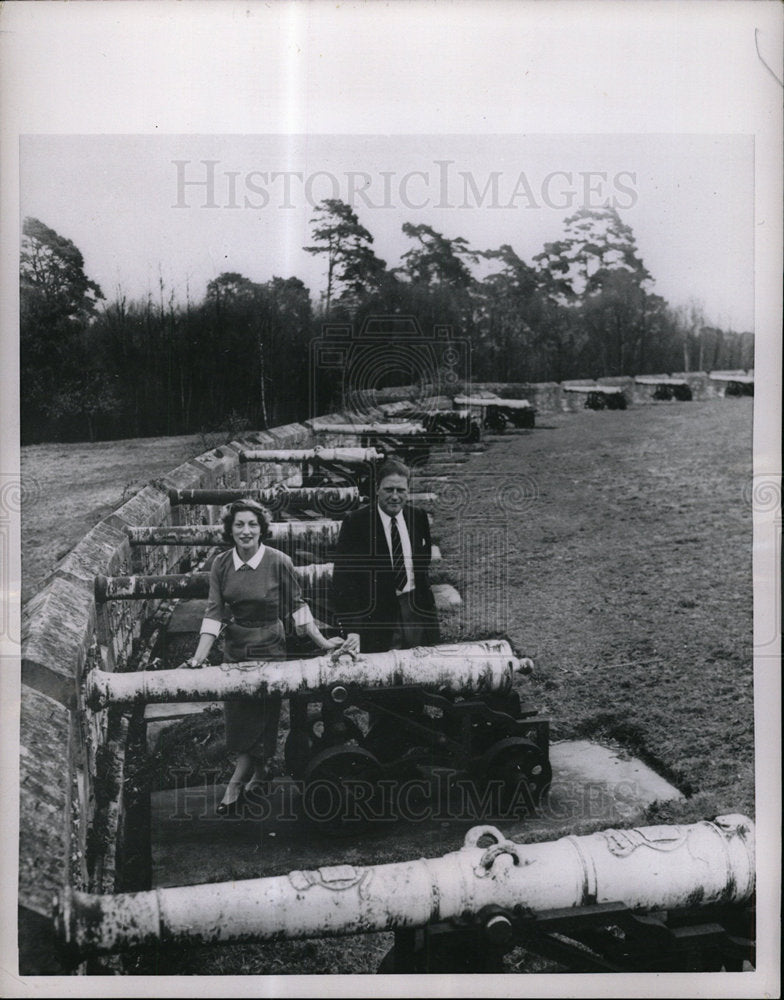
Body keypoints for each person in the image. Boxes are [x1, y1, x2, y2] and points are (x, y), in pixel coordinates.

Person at [181, 498, 343, 816]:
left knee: (262, 718)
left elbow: (297, 606)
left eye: (252, 524)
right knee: (239, 719)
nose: (246, 530)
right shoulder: (221, 564)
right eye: (239, 524)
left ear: (262, 528)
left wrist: (323, 641)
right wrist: (199, 658)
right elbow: (214, 613)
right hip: (235, 649)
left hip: (269, 646)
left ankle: (235, 786)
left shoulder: (279, 561)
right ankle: (261, 770)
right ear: (230, 529)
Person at [331, 457, 440, 654]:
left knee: (422, 669)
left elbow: (422, 568)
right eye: (389, 490)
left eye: (401, 490)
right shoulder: (356, 523)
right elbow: (344, 581)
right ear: (377, 489)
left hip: (415, 610)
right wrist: (353, 630)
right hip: (376, 618)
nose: (395, 496)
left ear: (408, 491)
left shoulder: (418, 517)